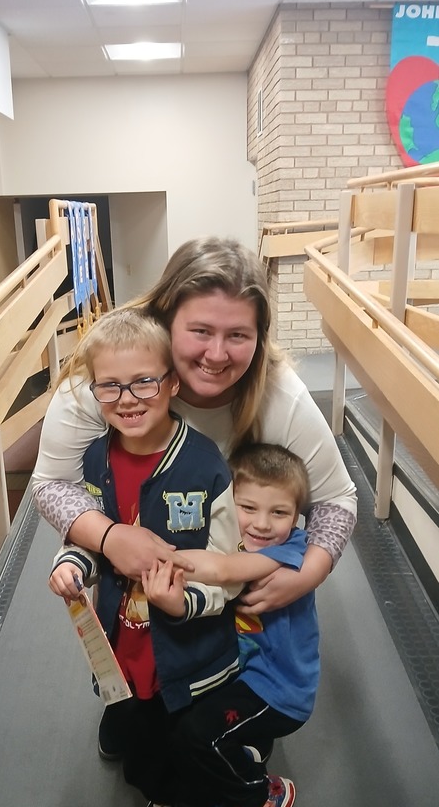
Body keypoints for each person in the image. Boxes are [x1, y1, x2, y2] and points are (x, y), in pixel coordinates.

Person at [32, 237, 357, 626]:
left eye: (238, 335)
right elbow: (51, 483)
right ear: (165, 321)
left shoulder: (280, 396)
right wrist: (108, 537)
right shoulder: (105, 385)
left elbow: (336, 499)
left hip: (243, 610)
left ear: (259, 337)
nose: (217, 354)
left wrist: (308, 574)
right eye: (201, 331)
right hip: (141, 609)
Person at [49, 307, 248, 807]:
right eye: (109, 385)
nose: (127, 399)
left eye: (143, 382)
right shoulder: (93, 460)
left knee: (194, 746)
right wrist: (72, 565)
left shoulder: (205, 465)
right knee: (142, 736)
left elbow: (229, 569)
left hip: (192, 653)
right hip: (124, 647)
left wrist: (183, 601)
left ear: (172, 383)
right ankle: (160, 797)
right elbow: (91, 535)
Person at [142, 442, 318, 807]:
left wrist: (157, 559)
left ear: (297, 517)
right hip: (243, 677)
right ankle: (229, 774)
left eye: (279, 512)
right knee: (184, 726)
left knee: (198, 738)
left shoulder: (288, 550)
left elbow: (222, 568)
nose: (262, 523)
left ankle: (262, 796)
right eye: (248, 507)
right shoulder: (241, 541)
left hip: (278, 690)